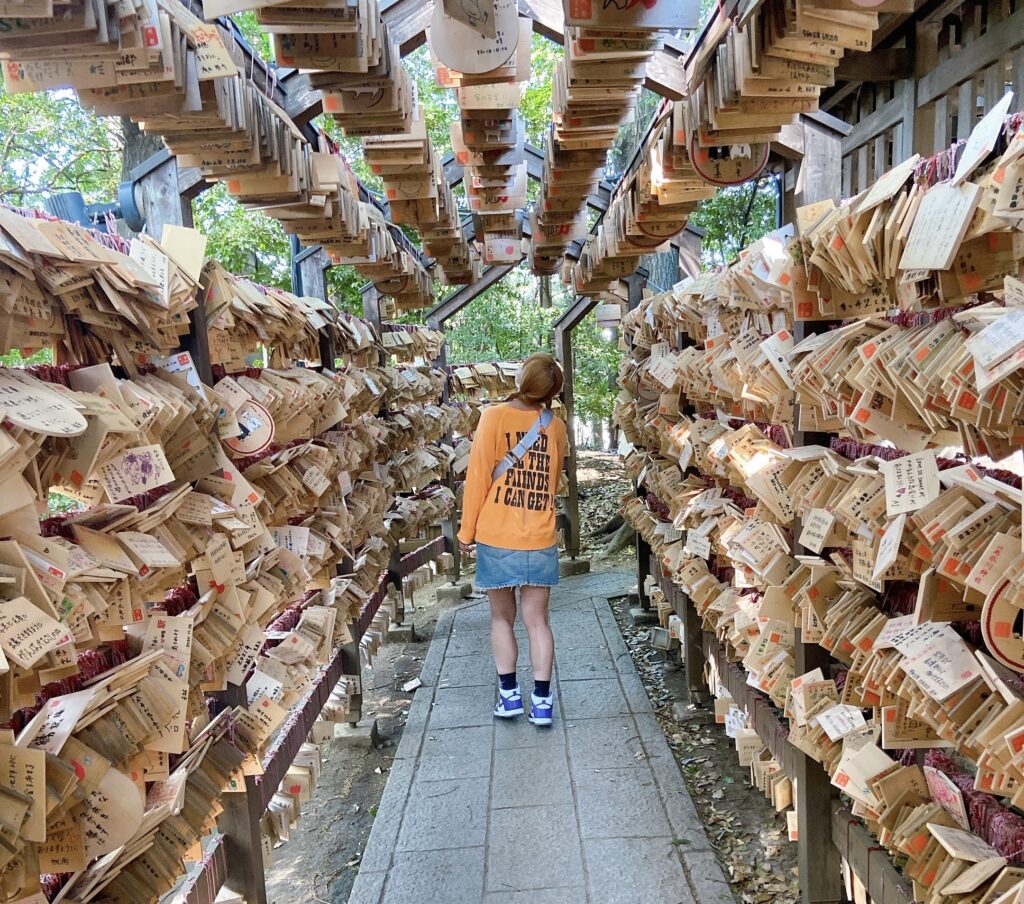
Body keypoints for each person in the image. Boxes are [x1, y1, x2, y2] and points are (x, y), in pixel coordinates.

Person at [458, 352, 568, 726]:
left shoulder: (492, 417)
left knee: (501, 619)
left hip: (496, 533)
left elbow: (477, 480)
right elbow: (553, 482)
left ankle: (509, 697)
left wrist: (466, 531)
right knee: (538, 621)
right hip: (539, 535)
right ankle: (542, 702)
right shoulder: (555, 426)